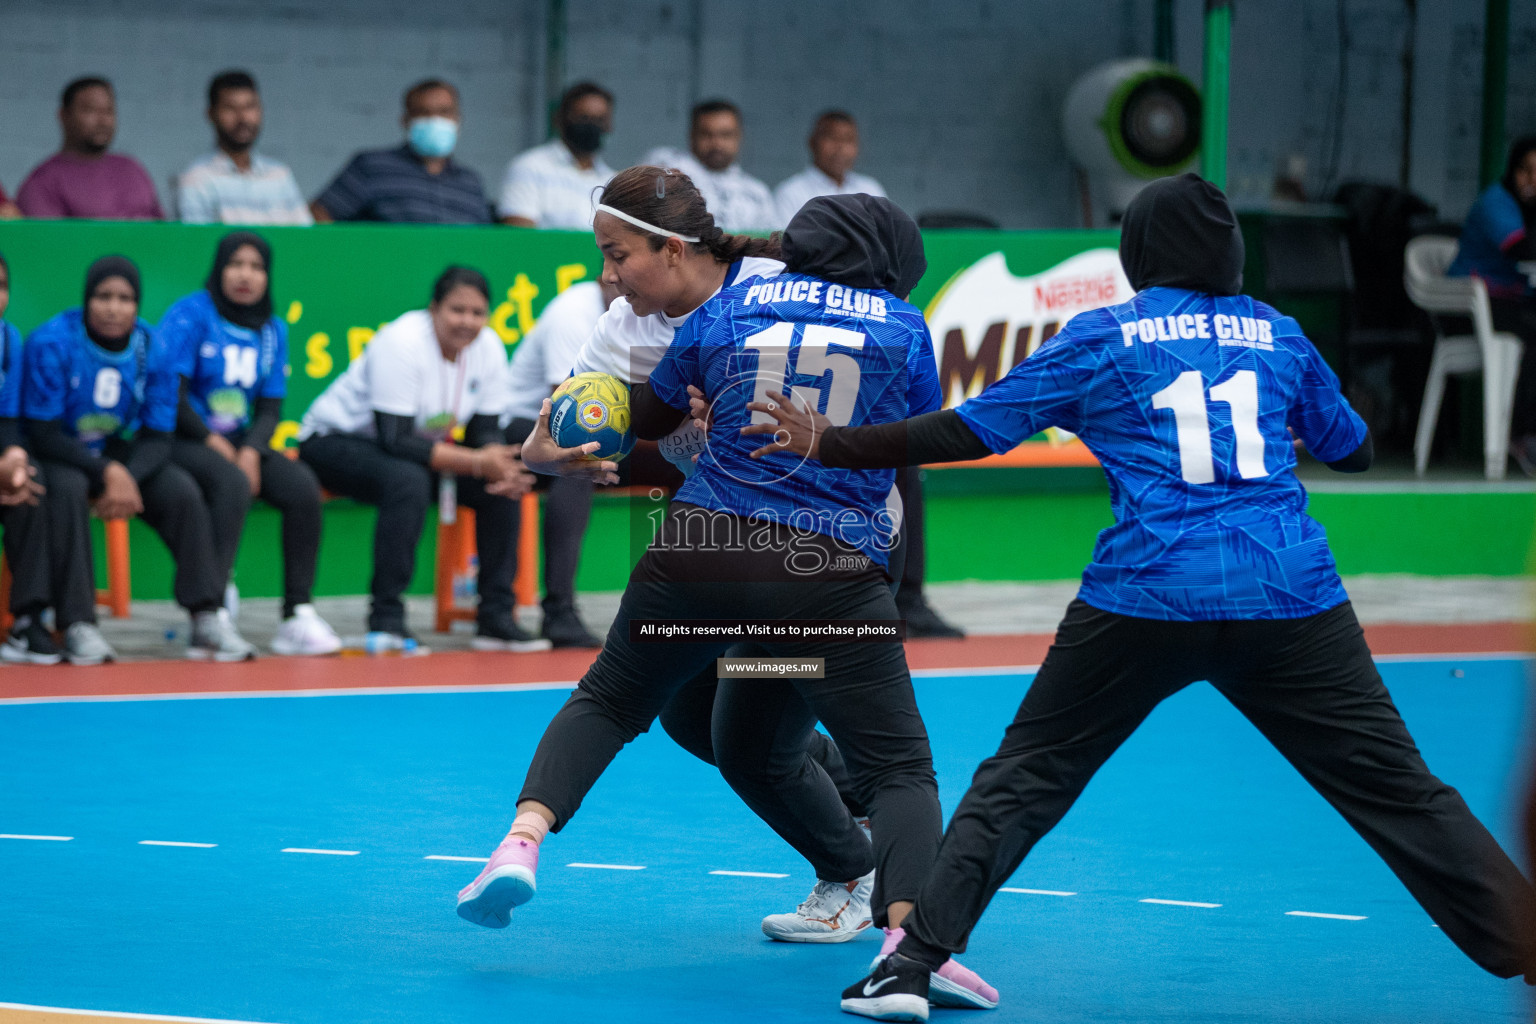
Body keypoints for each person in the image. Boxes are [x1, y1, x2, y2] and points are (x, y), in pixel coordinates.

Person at [737, 173, 1536, 1019]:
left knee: (1026, 776)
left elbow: (971, 430)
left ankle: (912, 966)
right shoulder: (1277, 333)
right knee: (1400, 789)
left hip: (1147, 591)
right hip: (1288, 593)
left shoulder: (1104, 336)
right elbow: (1356, 452)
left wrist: (836, 443)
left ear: (1138, 254)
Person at [452, 185, 998, 1009]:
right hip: (828, 569)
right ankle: (906, 955)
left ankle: (519, 844)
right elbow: (910, 437)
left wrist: (571, 439)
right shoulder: (899, 323)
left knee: (627, 703)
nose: (610, 277)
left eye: (616, 255)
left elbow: (649, 414)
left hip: (704, 551)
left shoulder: (733, 305)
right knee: (899, 769)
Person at [556, 166, 885, 941]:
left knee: (754, 733)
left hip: (820, 541)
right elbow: (585, 426)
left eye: (616, 254)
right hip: (715, 538)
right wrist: (562, 447)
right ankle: (864, 790)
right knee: (695, 710)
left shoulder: (776, 286)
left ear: (671, 248)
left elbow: (876, 375)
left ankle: (857, 867)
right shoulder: (623, 329)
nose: (606, 275)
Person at [24, 256, 257, 662]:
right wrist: (109, 472)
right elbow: (42, 433)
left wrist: (126, 475)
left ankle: (206, 615)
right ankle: (78, 624)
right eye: (103, 297)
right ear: (86, 300)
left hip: (113, 448)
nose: (113, 308)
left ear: (137, 305)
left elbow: (157, 435)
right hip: (58, 449)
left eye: (125, 298)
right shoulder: (52, 342)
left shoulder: (153, 348)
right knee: (67, 487)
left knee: (179, 489)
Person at [298, 266, 540, 648]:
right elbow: (396, 438)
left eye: (477, 313)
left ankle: (495, 617)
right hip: (333, 441)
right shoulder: (402, 341)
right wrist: (478, 461)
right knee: (407, 479)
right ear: (433, 309)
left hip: (410, 452)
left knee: (501, 485)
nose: (467, 321)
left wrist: (496, 460)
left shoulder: (489, 347)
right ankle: (387, 619)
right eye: (457, 310)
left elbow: (484, 431)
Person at [158, 232, 341, 656]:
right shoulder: (190, 314)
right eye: (236, 264)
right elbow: (173, 394)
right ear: (220, 269)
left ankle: (297, 613)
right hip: (182, 437)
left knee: (300, 488)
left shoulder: (273, 329)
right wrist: (211, 440)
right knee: (230, 482)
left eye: (257, 267)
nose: (246, 275)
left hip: (242, 441)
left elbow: (271, 406)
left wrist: (252, 449)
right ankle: (213, 605)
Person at [500, 277, 623, 648]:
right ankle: (559, 611)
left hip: (605, 428)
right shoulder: (574, 312)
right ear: (609, 276)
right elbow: (571, 409)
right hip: (524, 425)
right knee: (579, 461)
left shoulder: (639, 316)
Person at [1447, 136, 1536, 472]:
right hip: (1466, 311)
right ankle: (1522, 433)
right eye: (1525, 171)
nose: (1531, 181)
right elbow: (1521, 251)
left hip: (1511, 303)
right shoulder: (1496, 203)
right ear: (1512, 171)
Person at [311, 80, 489, 225]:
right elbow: (318, 215)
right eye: (423, 113)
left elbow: (484, 243)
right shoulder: (372, 167)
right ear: (405, 121)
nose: (435, 120)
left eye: (444, 112)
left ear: (457, 120)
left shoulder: (471, 182)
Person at [0, 251, 61, 663]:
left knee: (31, 483)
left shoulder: (8, 339)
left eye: (1, 285)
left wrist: (14, 459)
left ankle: (27, 619)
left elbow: (9, 419)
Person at [174, 70, 312, 226]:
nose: (243, 118)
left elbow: (304, 239)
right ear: (211, 114)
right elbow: (197, 245)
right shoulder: (197, 179)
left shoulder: (279, 176)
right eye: (230, 108)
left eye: (250, 106)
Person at [16, 77, 164, 220]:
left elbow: (163, 231)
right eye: (90, 111)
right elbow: (46, 242)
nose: (103, 121)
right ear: (64, 115)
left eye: (109, 111)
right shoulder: (43, 182)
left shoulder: (132, 168)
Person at [643, 99, 778, 232]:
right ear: (692, 135)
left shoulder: (757, 193)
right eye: (707, 134)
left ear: (739, 137)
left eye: (725, 135)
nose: (717, 144)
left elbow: (767, 245)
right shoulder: (668, 165)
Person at [497, 82, 615, 228]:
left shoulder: (613, 183)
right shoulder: (529, 167)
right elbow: (520, 238)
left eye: (600, 120)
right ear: (559, 119)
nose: (592, 126)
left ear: (609, 126)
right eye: (583, 118)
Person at [774, 111, 885, 228]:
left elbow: (888, 238)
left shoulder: (870, 189)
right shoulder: (790, 193)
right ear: (812, 142)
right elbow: (786, 244)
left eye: (848, 140)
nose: (840, 147)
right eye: (832, 138)